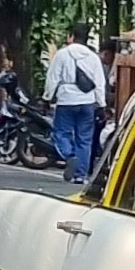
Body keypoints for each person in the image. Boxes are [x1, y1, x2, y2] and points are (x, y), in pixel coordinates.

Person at [43, 22, 107, 183]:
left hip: (66, 100)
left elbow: (53, 78)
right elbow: (100, 83)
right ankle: (81, 175)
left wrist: (47, 98)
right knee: (85, 139)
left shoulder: (62, 55)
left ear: (71, 36)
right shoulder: (93, 57)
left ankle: (69, 156)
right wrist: (101, 105)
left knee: (61, 133)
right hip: (87, 101)